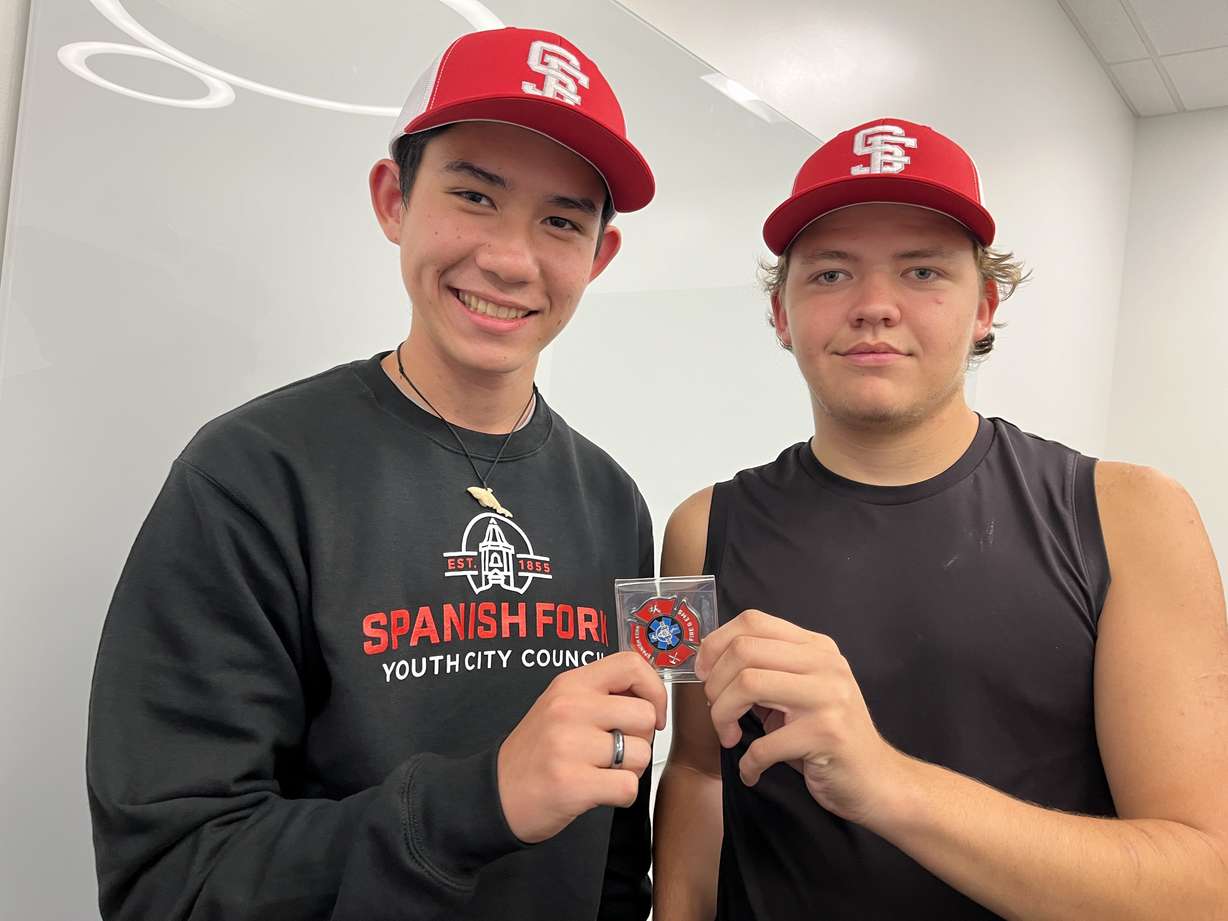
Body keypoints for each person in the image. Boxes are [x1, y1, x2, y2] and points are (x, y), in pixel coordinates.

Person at [87, 26, 667, 921]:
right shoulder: (252, 475)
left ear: (599, 257)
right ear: (393, 199)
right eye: (474, 195)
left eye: (561, 220)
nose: (511, 259)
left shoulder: (612, 500)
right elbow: (170, 877)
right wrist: (480, 802)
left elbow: (613, 835)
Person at [653, 117, 1228, 920]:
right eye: (829, 275)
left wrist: (887, 783)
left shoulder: (1132, 516)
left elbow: (1202, 885)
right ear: (781, 314)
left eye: (922, 271)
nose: (874, 307)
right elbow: (699, 771)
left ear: (985, 305)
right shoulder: (700, 529)